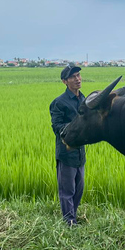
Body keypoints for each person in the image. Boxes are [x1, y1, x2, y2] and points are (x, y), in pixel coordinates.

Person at [49, 64, 87, 226]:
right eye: (73, 77)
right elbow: (56, 127)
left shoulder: (83, 99)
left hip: (80, 153)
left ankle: (73, 216)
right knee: (67, 190)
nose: (77, 79)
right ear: (65, 81)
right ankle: (69, 222)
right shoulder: (59, 103)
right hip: (66, 152)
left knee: (79, 188)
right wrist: (75, 129)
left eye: (78, 75)